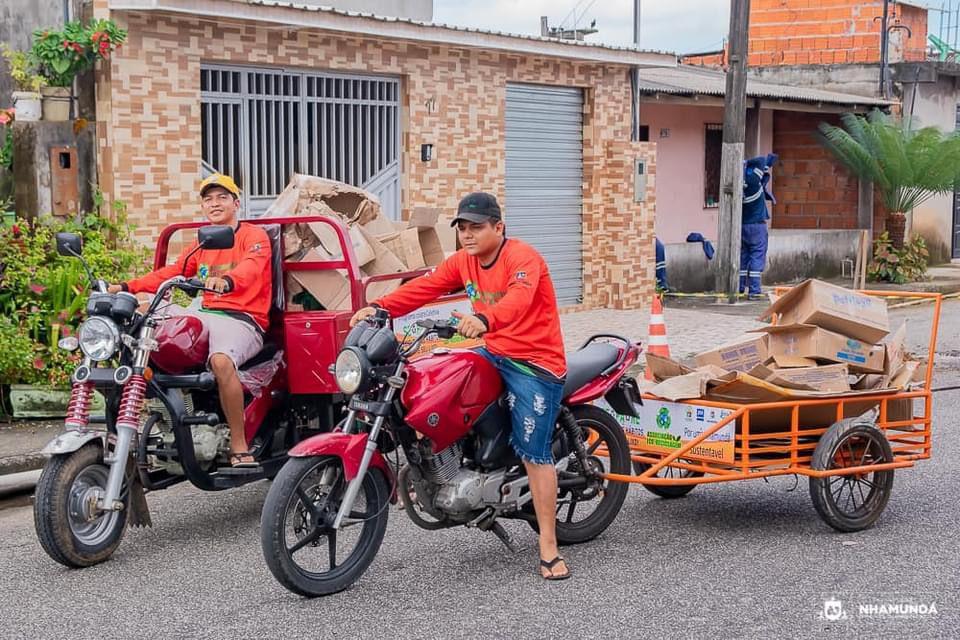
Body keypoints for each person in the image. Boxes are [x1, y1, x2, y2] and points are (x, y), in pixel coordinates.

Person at [350, 192, 571, 581]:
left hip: (534, 361)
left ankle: (549, 547)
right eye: (463, 228)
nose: (468, 235)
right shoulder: (464, 261)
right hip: (492, 350)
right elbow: (427, 286)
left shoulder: (523, 258)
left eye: (477, 227)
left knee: (534, 451)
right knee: (432, 384)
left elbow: (518, 300)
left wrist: (486, 319)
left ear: (498, 228)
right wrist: (383, 307)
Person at [107, 174, 272, 467]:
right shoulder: (203, 241)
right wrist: (127, 287)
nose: (214, 203)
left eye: (222, 197)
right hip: (206, 313)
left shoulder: (254, 236)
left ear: (237, 203)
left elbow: (251, 268)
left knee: (221, 361)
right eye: (208, 199)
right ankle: (123, 430)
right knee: (139, 335)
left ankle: (239, 445)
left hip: (243, 318)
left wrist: (229, 280)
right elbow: (173, 271)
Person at [739, 153, 778, 299]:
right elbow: (762, 160)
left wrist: (745, 166)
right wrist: (747, 162)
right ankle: (754, 291)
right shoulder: (754, 181)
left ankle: (739, 287)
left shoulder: (742, 186)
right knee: (756, 257)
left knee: (743, 257)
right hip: (757, 227)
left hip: (743, 226)